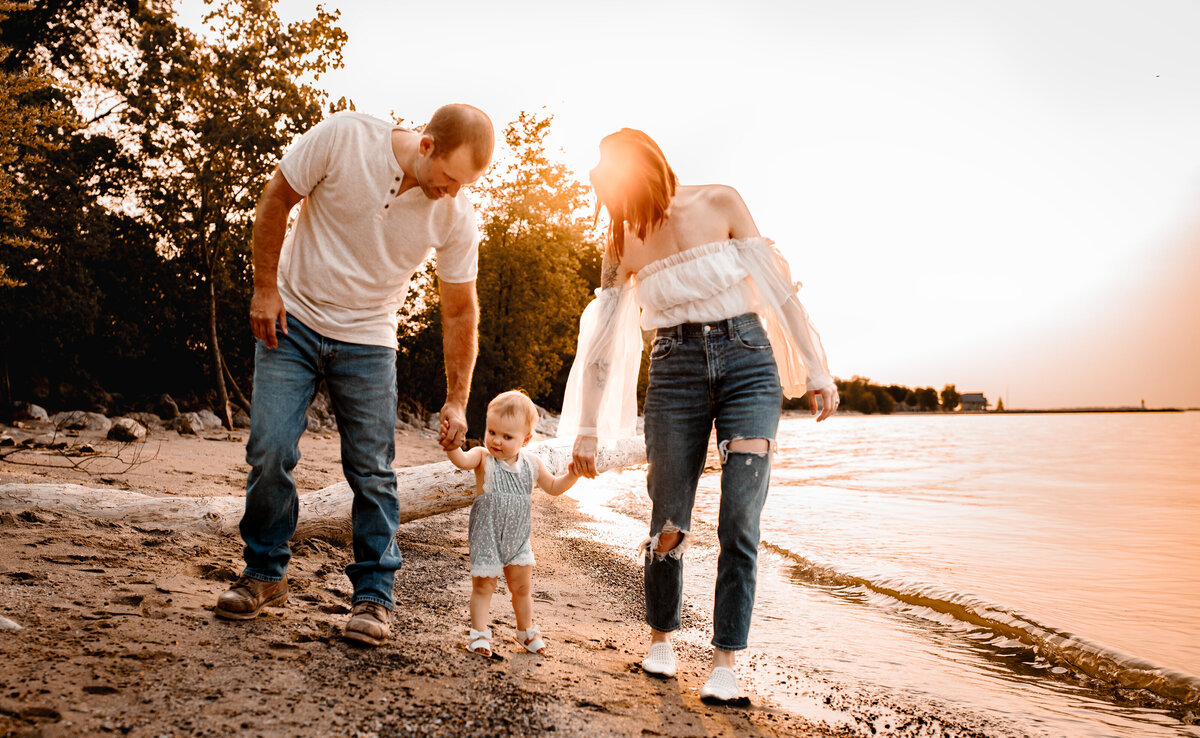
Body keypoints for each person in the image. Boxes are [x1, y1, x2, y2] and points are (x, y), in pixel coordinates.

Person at [560, 129, 839, 702]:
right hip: (674, 371)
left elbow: (779, 290)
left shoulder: (721, 201)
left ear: (640, 171)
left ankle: (725, 662)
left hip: (748, 364)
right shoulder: (622, 241)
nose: (613, 206)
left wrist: (817, 369)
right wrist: (586, 428)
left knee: (740, 517)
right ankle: (661, 640)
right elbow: (601, 346)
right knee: (668, 515)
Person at [214, 104, 495, 648]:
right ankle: (265, 573)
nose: (453, 192)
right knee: (270, 449)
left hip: (369, 337)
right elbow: (276, 198)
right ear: (427, 145)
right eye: (449, 178)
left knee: (372, 470)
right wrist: (265, 288)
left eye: (466, 184)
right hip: (292, 319)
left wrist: (457, 399)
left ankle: (373, 596)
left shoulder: (455, 214)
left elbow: (461, 310)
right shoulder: (345, 136)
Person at [446, 390, 579, 658]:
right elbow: (461, 460)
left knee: (522, 588)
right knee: (484, 586)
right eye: (492, 432)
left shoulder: (532, 464)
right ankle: (479, 635)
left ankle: (525, 631)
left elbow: (553, 487)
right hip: (487, 536)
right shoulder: (482, 457)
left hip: (518, 540)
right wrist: (452, 445)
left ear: (525, 440)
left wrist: (573, 475)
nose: (496, 441)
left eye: (507, 437)